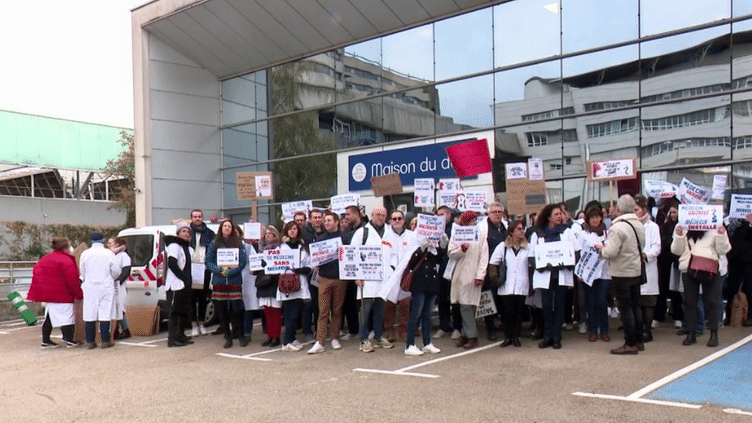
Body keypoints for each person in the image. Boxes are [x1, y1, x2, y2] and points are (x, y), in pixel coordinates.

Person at [595, 195, 645, 355]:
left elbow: (611, 251)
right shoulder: (638, 224)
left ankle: (629, 343)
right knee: (635, 306)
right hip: (635, 269)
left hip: (622, 271)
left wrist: (601, 249)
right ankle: (638, 340)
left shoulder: (617, 228)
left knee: (625, 308)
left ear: (619, 209)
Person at [671, 220, 731, 347]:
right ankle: (691, 333)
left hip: (711, 268)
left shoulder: (715, 224)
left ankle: (714, 334)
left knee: (712, 301)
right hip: (689, 267)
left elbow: (723, 250)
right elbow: (676, 251)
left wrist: (722, 235)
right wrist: (679, 235)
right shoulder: (683, 224)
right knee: (690, 302)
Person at [529, 204, 581, 350]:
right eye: (556, 214)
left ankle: (557, 337)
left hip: (561, 274)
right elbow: (532, 255)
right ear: (548, 217)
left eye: (561, 214)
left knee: (560, 306)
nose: (560, 216)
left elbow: (576, 251)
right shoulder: (537, 234)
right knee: (546, 306)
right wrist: (539, 265)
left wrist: (569, 262)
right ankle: (548, 336)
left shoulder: (567, 232)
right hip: (545, 274)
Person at [351, 206, 395, 352]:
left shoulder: (390, 232)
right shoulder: (362, 232)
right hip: (367, 279)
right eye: (378, 214)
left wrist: (392, 269)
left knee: (380, 310)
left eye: (383, 215)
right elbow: (352, 253)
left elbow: (394, 253)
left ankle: (378, 336)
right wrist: (357, 275)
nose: (380, 217)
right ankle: (364, 339)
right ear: (372, 215)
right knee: (365, 310)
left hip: (384, 278)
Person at [28, 237, 84, 348]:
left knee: (49, 317)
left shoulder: (45, 258)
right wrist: (78, 293)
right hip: (63, 294)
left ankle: (46, 340)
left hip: (47, 294)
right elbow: (72, 279)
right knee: (67, 317)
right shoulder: (66, 260)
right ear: (66, 247)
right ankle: (69, 339)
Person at [447, 211, 489, 350]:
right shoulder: (457, 235)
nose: (474, 222)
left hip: (474, 273)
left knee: (470, 305)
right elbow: (451, 252)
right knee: (463, 304)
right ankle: (467, 335)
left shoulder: (481, 234)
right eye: (471, 220)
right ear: (464, 222)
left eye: (475, 220)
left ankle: (470, 336)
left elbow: (484, 256)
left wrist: (480, 275)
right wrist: (462, 249)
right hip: (460, 274)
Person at [404, 233, 449, 356]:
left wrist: (443, 246)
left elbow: (439, 259)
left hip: (431, 282)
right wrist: (421, 248)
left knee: (427, 314)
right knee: (416, 313)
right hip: (419, 282)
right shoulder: (414, 239)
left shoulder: (433, 244)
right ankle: (410, 344)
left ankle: (427, 343)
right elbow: (411, 262)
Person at [308, 211, 347, 354]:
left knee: (337, 310)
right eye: (325, 221)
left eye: (329, 220)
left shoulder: (344, 237)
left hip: (340, 278)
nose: (327, 223)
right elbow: (315, 258)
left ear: (337, 222)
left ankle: (335, 337)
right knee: (323, 310)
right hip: (324, 278)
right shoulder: (320, 239)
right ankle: (320, 341)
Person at [206, 219, 247, 348]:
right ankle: (227, 337)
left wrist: (231, 272)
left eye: (229, 226)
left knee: (236, 309)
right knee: (222, 311)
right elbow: (209, 261)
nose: (227, 228)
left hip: (234, 279)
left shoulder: (238, 243)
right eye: (225, 226)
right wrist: (219, 270)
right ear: (221, 228)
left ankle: (240, 335)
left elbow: (242, 262)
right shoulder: (214, 243)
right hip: (219, 280)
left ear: (232, 229)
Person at [488, 219, 529, 347]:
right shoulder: (503, 247)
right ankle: (507, 337)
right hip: (506, 285)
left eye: (522, 229)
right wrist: (495, 278)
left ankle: (516, 337)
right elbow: (493, 263)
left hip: (521, 284)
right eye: (519, 229)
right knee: (507, 313)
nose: (522, 231)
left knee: (518, 313)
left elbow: (532, 264)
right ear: (511, 232)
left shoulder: (528, 247)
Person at [79, 232, 121, 349]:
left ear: (91, 241)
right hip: (105, 286)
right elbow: (116, 271)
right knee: (105, 312)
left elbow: (82, 272)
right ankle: (105, 340)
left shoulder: (85, 254)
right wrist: (111, 278)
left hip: (90, 286)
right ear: (103, 241)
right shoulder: (108, 253)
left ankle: (90, 341)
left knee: (90, 313)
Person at [383, 209, 417, 343]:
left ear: (404, 221)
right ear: (390, 221)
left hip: (405, 275)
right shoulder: (386, 235)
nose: (397, 221)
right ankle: (390, 331)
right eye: (394, 218)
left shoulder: (411, 235)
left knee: (405, 305)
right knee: (389, 305)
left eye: (399, 218)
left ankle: (403, 331)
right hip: (390, 275)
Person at [578, 206, 611, 342]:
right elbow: (579, 253)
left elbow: (612, 249)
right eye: (592, 218)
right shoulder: (583, 234)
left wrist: (604, 248)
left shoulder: (608, 233)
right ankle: (592, 329)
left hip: (604, 272)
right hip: (588, 273)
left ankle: (604, 330)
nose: (595, 220)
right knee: (590, 301)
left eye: (597, 217)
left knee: (602, 301)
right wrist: (579, 272)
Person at [278, 221, 312, 351]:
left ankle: (291, 339)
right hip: (286, 284)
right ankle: (287, 341)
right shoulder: (280, 247)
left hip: (299, 284)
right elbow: (271, 262)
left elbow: (310, 267)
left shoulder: (302, 247)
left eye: (295, 229)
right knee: (289, 315)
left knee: (295, 313)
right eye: (290, 229)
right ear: (286, 231)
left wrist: (299, 270)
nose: (293, 231)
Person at [634, 195, 661, 342]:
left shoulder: (653, 227)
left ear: (644, 209)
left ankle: (647, 330)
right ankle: (639, 328)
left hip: (647, 266)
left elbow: (657, 247)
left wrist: (646, 255)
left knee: (648, 300)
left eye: (637, 209)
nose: (635, 212)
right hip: (634, 266)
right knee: (637, 300)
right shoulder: (631, 225)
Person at [482, 202, 509, 341]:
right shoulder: (483, 228)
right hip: (487, 269)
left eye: (500, 212)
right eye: (494, 212)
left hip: (503, 269)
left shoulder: (505, 227)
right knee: (488, 300)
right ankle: (490, 328)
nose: (497, 214)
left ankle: (505, 325)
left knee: (503, 299)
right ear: (489, 213)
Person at [165, 221, 194, 347]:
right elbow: (172, 263)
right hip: (176, 283)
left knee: (183, 311)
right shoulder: (174, 245)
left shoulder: (188, 248)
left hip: (185, 284)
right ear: (178, 233)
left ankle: (181, 335)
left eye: (188, 232)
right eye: (183, 231)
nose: (186, 233)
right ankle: (172, 338)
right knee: (174, 312)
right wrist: (183, 278)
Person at [189, 209, 215, 336]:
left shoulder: (209, 233)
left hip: (204, 268)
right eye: (195, 216)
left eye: (199, 216)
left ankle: (202, 323)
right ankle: (194, 325)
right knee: (192, 298)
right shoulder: (187, 232)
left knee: (203, 297)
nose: (197, 218)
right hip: (191, 268)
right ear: (191, 218)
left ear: (202, 218)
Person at [256, 225, 283, 348]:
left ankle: (276, 336)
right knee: (267, 310)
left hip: (273, 280)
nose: (267, 235)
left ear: (275, 235)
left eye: (270, 233)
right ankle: (270, 335)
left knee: (275, 311)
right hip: (263, 280)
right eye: (266, 233)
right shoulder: (260, 248)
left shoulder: (279, 247)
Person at [108, 237, 132, 340]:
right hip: (111, 285)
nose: (109, 245)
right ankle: (116, 330)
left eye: (111, 243)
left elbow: (126, 271)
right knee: (114, 309)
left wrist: (118, 283)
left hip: (120, 286)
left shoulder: (124, 256)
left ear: (118, 244)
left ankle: (126, 330)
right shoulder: (110, 255)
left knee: (119, 308)